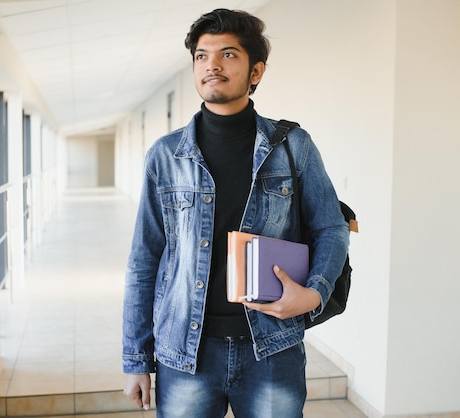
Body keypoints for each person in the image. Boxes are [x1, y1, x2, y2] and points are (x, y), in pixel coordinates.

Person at [122, 8, 349, 418]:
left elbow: (331, 228)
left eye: (228, 54)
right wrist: (136, 359)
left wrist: (314, 293)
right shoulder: (165, 155)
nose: (212, 64)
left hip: (272, 347)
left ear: (255, 71)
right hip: (185, 352)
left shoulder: (293, 147)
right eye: (201, 55)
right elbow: (144, 261)